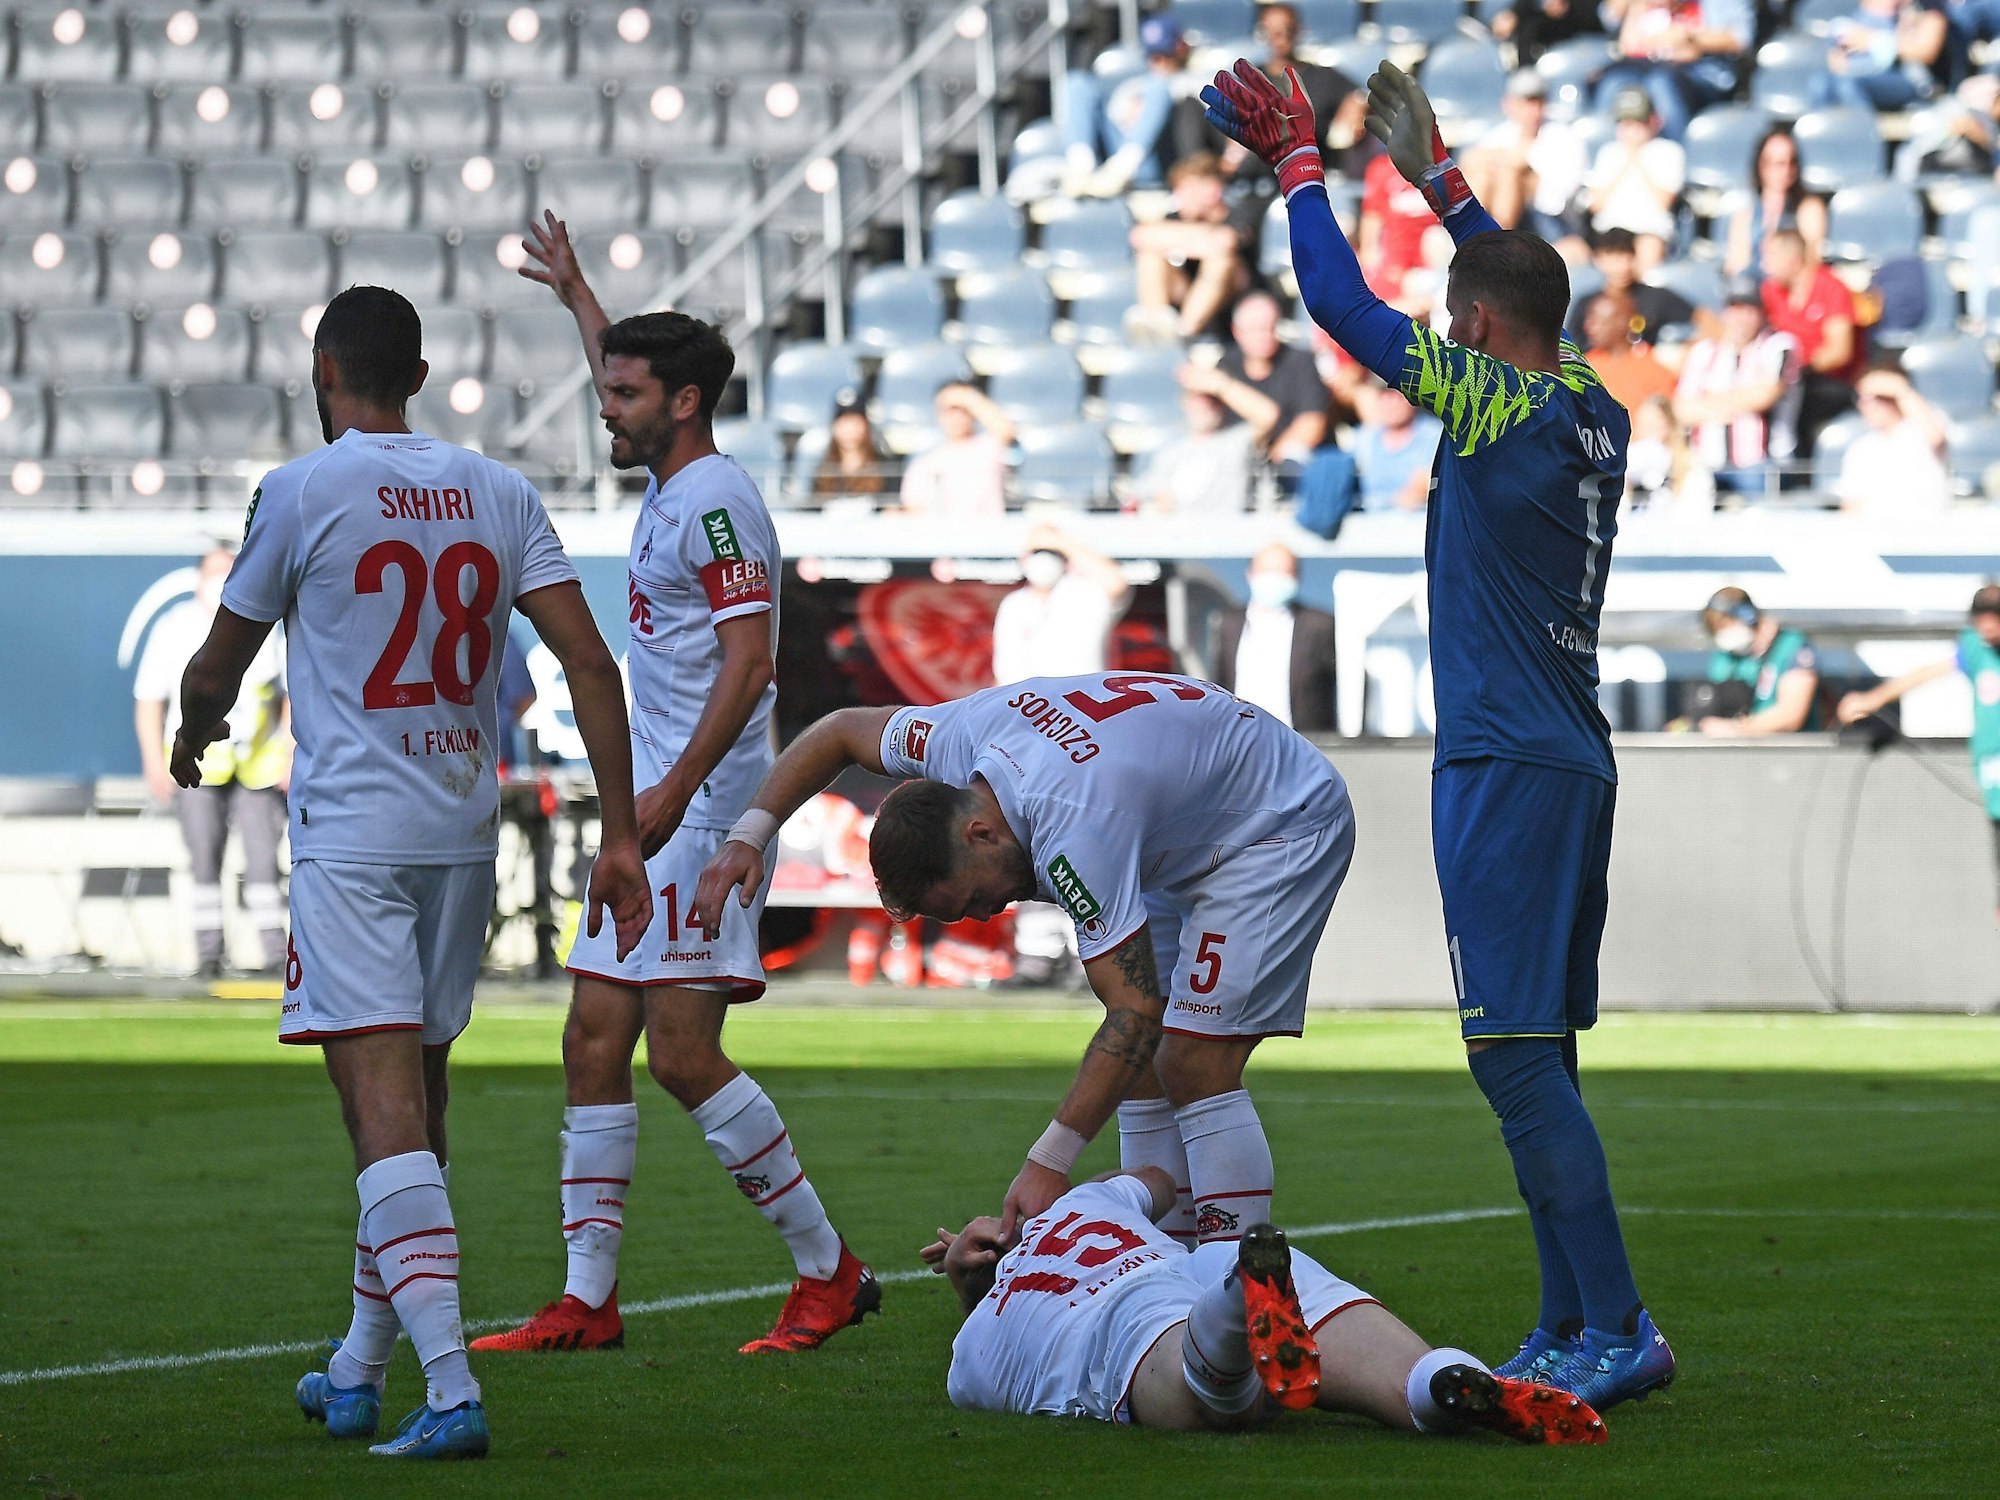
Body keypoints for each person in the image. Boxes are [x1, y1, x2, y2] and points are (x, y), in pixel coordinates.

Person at [1204, 57, 1673, 1409]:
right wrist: (1444, 187)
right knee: (1543, 1054)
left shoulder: (1493, 398)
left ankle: (1620, 1325)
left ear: (1470, 326)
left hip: (1504, 761)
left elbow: (1344, 307)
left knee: (1513, 1060)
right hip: (1567, 751)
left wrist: (1302, 167)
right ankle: (1575, 1320)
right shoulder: (1591, 405)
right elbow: (1523, 293)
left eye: (1458, 321)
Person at [168, 285, 653, 1460]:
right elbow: (588, 663)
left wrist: (194, 734)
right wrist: (624, 832)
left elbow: (220, 661)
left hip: (353, 842)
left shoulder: (298, 490)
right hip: (458, 832)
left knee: (376, 1110)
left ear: (325, 369)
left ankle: (451, 1391)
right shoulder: (501, 490)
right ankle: (357, 1368)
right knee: (414, 1106)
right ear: (421, 375)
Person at [471, 214, 877, 1359]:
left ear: (683, 403)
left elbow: (749, 666)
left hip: (694, 823)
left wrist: (668, 798)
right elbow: (628, 372)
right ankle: (585, 1300)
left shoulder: (712, 504)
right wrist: (579, 294)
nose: (607, 405)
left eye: (628, 394)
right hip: (653, 818)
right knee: (592, 1041)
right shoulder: (675, 478)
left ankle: (828, 1270)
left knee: (683, 1056)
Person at [691, 671, 1356, 1261]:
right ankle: (1172, 1267)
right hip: (1183, 814)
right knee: (1144, 1074)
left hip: (1276, 824)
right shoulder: (956, 743)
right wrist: (748, 836)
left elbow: (1135, 1012)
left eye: (975, 898)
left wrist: (1049, 1164)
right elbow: (837, 733)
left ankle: (1235, 1289)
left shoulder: (1073, 829)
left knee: (1191, 1062)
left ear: (979, 832)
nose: (985, 916)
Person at [926, 1168, 1606, 1443]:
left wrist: (969, 1286)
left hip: (1124, 1328)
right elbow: (1161, 1183)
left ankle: (1235, 1314)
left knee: (1207, 1388)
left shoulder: (976, 1345)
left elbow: (989, 1346)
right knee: (1263, 1286)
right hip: (1178, 1266)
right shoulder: (1083, 1205)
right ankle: (1436, 1382)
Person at [133, 543, 290, 978]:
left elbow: (285, 695)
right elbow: (149, 700)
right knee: (204, 861)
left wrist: (290, 751)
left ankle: (275, 953)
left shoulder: (264, 626)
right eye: (214, 572)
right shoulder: (173, 627)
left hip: (257, 766)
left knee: (264, 864)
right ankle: (208, 955)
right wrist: (153, 761)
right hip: (196, 767)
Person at [1837, 585, 2000, 916]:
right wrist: (1872, 699)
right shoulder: (1976, 649)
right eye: (1981, 619)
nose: (1987, 627)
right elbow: (1927, 673)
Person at [1671, 282, 1801, 495]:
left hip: (1760, 463)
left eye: (1749, 310)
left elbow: (1764, 396)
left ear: (1761, 314)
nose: (1740, 318)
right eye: (1734, 309)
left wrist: (1706, 401)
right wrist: (1739, 401)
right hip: (1707, 463)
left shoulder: (1778, 346)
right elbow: (1681, 411)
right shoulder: (1703, 352)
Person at [1129, 152, 1261, 341]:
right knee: (1150, 256)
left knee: (1221, 261)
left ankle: (1184, 332)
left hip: (1233, 299)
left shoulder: (1241, 214)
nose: (1180, 197)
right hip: (1186, 292)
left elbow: (1223, 243)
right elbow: (1141, 236)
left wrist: (1177, 239)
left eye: (1189, 190)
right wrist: (1202, 238)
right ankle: (1155, 324)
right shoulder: (1177, 217)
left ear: (1213, 190)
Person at [1062, 13, 1196, 196]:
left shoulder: (1195, 75)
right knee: (1076, 83)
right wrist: (1129, 111)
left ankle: (1121, 170)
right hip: (1115, 151)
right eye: (1154, 57)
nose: (1159, 62)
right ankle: (1081, 167)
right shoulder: (1136, 83)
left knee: (1160, 86)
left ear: (1180, 48)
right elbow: (1115, 115)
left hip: (1153, 160)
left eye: (1165, 55)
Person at [1210, 543, 1337, 733]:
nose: (1274, 579)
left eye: (1284, 572)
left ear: (1297, 577)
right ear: (1250, 574)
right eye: (1267, 571)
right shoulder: (1226, 624)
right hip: (1241, 738)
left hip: (1303, 741)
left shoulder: (1319, 625)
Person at [1462, 72, 1590, 259]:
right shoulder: (1500, 135)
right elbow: (1470, 161)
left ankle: (1494, 243)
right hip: (1512, 218)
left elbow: (1558, 200)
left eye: (1538, 103)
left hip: (1552, 224)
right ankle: (1475, 239)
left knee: (1510, 172)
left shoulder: (1565, 138)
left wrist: (1523, 170)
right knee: (1483, 172)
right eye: (1525, 104)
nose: (1533, 111)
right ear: (1509, 105)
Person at [1761, 227, 1865, 456]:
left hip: (1829, 381)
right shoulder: (1772, 291)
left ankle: (1797, 469)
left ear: (1793, 259)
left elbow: (1839, 351)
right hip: (1787, 379)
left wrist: (1797, 369)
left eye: (1771, 257)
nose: (1765, 265)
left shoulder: (1831, 288)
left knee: (1798, 402)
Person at [1591, 0, 1753, 143]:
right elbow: (1614, 22)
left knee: (1662, 84)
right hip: (1646, 65)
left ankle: (1674, 159)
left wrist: (1690, 38)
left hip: (1702, 71)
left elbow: (1741, 38)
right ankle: (1609, 164)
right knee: (1615, 83)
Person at [990, 524, 1130, 687]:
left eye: (1051, 553)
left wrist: (1060, 542)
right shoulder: (1014, 604)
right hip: (1029, 704)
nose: (1043, 559)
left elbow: (1116, 582)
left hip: (1080, 701)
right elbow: (1004, 672)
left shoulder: (1085, 594)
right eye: (1037, 552)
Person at [1137, 366, 1279, 515]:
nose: (1204, 405)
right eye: (1196, 398)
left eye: (1211, 399)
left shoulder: (1236, 442)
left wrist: (1222, 385)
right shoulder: (1169, 453)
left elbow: (1268, 416)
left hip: (1229, 531)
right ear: (1184, 402)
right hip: (1180, 533)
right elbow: (1153, 498)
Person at [1219, 290, 1329, 468]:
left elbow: (1312, 423)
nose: (1264, 336)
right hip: (1238, 460)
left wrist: (1272, 461)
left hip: (1287, 462)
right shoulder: (1227, 364)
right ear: (1236, 331)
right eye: (1255, 329)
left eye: (1270, 327)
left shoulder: (1300, 361)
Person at [1697, 586, 1822, 735]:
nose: (1722, 634)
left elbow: (1791, 715)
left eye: (1724, 625)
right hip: (1744, 753)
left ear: (1748, 616)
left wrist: (1736, 729)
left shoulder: (1791, 646)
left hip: (1792, 751)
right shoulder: (1727, 657)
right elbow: (1714, 705)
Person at [1584, 87, 1685, 269]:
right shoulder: (1609, 153)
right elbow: (1595, 204)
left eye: (1638, 122)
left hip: (1649, 230)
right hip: (1610, 231)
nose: (1631, 129)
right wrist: (1625, 161)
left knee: (1649, 248)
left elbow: (1664, 202)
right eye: (1625, 122)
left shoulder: (1669, 152)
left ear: (1654, 121)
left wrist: (1638, 158)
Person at [1837, 365, 1953, 519]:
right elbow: (1851, 504)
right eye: (1861, 398)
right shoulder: (1860, 448)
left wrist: (1901, 390)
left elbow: (1936, 438)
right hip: (1874, 535)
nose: (1864, 405)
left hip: (1925, 533)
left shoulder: (1923, 427)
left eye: (1875, 397)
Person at [1721, 127, 1828, 282]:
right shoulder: (1745, 217)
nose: (1785, 170)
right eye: (1778, 163)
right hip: (1754, 294)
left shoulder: (1809, 209)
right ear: (1761, 166)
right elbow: (1735, 266)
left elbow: (1811, 263)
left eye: (1791, 162)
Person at [1564, 228, 1696, 348]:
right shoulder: (1587, 303)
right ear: (1598, 259)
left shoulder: (1657, 297)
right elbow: (1569, 348)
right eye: (1614, 258)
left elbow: (1704, 319)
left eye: (1628, 257)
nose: (1623, 266)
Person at [899, 383, 1011, 520]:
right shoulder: (924, 463)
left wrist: (968, 396)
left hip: (987, 535)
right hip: (942, 537)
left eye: (963, 409)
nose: (956, 416)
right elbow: (914, 509)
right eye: (949, 409)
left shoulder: (989, 446)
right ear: (938, 413)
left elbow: (1006, 431)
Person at [1816, 0, 1950, 112]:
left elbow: (1925, 51)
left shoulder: (1928, 8)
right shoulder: (1859, 16)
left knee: (1849, 83)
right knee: (1822, 83)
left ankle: (1860, 137)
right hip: (1868, 72)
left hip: (1912, 79)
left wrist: (1874, 40)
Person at [1581, 291, 1680, 414]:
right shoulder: (1585, 366)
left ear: (1622, 323)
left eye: (1598, 322)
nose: (1588, 326)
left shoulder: (1653, 370)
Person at [1353, 381, 1442, 513]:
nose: (1392, 404)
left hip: (1414, 520)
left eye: (1399, 396)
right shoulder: (1365, 438)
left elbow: (1420, 488)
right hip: (1366, 522)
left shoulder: (1433, 435)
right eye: (1385, 396)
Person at [812, 391, 895, 500]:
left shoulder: (885, 469)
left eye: (855, 422)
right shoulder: (823, 471)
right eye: (844, 421)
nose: (850, 429)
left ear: (866, 425)